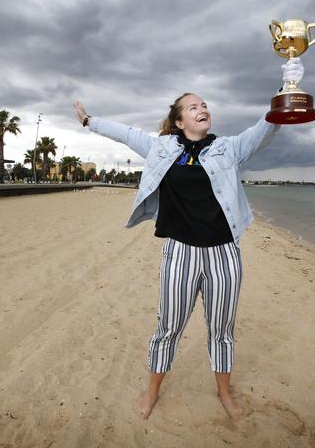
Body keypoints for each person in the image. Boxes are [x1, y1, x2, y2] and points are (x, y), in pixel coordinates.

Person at [72, 59, 303, 420]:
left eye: (205, 105)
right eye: (194, 106)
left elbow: (265, 128)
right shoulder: (162, 148)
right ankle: (151, 394)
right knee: (168, 328)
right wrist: (90, 122)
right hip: (180, 252)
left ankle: (225, 394)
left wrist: (285, 89)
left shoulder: (228, 149)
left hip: (224, 253)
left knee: (222, 329)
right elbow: (125, 132)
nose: (203, 109)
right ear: (180, 121)